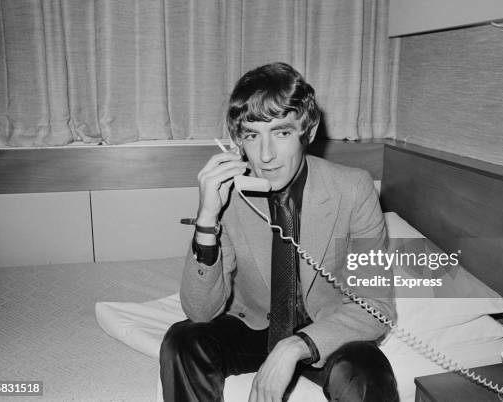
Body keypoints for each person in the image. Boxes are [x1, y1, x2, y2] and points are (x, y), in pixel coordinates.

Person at [160, 62, 398, 402]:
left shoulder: (354, 188)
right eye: (252, 136)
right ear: (237, 142)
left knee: (366, 368)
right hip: (252, 326)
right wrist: (207, 217)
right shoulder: (228, 194)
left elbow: (376, 307)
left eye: (282, 133)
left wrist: (294, 347)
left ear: (309, 132)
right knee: (182, 340)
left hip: (325, 330)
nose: (266, 155)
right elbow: (200, 312)